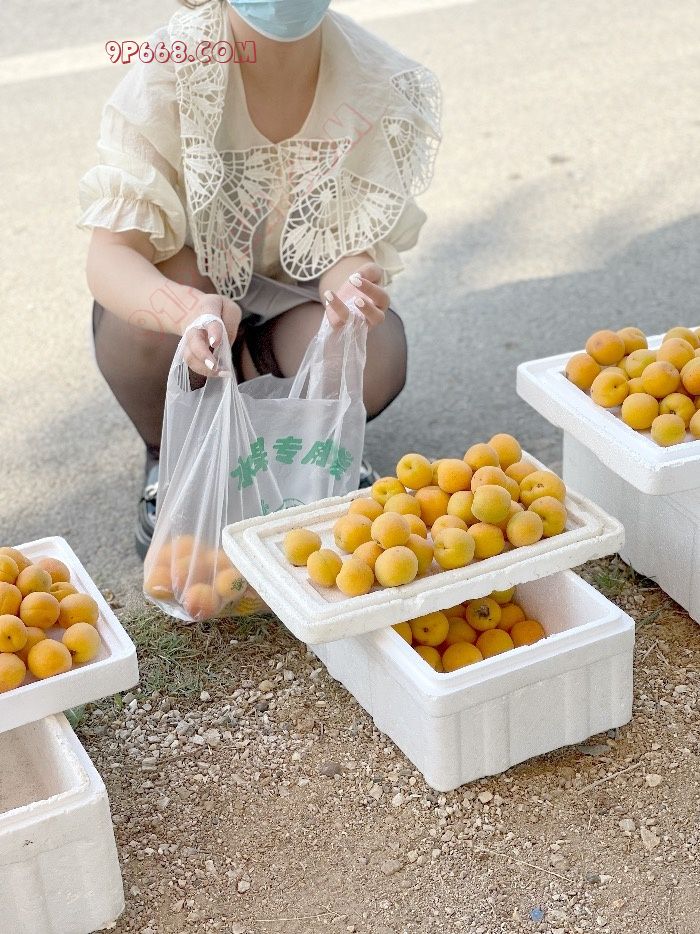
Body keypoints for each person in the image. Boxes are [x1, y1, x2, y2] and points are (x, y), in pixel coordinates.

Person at [80, 0, 441, 557]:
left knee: (373, 345)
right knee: (144, 319)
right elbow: (110, 255)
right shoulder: (170, 69)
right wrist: (188, 311)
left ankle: (302, 441)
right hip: (189, 294)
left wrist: (352, 289)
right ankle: (169, 451)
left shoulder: (375, 82)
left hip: (291, 300)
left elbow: (345, 248)